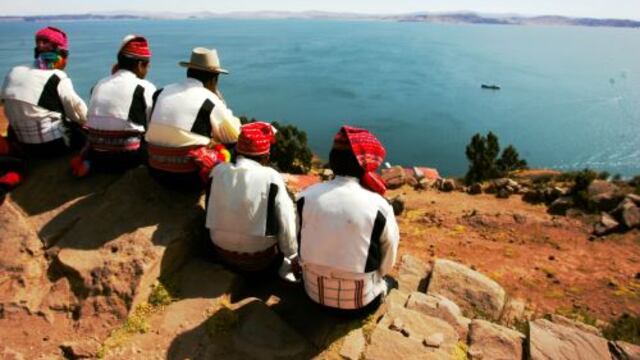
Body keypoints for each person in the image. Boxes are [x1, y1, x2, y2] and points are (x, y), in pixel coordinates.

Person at [297, 126, 399, 314]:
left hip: (312, 295)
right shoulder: (380, 206)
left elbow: (298, 240)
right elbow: (388, 257)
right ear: (365, 165)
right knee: (391, 282)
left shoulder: (305, 197)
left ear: (333, 161)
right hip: (359, 305)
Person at [205, 122, 298, 278]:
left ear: (237, 150)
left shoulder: (217, 171)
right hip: (260, 261)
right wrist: (292, 255)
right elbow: (285, 219)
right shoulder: (271, 177)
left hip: (220, 252)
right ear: (266, 156)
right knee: (292, 210)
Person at [145, 47, 239, 190]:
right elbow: (233, 135)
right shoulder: (209, 99)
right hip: (190, 178)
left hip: (154, 170)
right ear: (214, 79)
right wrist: (219, 99)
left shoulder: (161, 92)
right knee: (234, 147)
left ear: (188, 72)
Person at [70, 35, 156, 176]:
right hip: (128, 157)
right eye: (147, 65)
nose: (147, 70)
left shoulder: (100, 83)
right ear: (140, 65)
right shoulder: (144, 87)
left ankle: (91, 165)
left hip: (96, 153)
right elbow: (151, 126)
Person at [0, 26, 87, 157]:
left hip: (22, 145)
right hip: (52, 146)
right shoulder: (57, 77)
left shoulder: (13, 71)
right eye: (66, 55)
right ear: (61, 56)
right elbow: (78, 113)